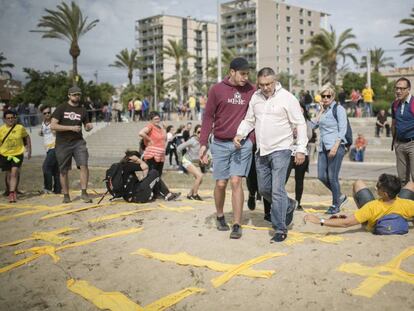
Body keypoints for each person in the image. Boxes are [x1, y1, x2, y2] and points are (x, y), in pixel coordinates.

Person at [235, 67, 307, 242]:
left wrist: (301, 149)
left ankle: (280, 228)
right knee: (264, 189)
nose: (265, 88)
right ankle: (289, 204)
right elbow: (249, 120)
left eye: (268, 84)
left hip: (282, 149)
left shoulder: (288, 98)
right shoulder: (256, 97)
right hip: (262, 151)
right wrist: (240, 133)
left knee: (276, 190)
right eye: (261, 84)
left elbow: (300, 123)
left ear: (275, 81)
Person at [199, 57, 255, 239]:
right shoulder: (217, 90)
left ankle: (237, 224)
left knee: (237, 181)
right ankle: (220, 215)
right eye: (242, 73)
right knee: (221, 183)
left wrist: (251, 140)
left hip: (242, 144)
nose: (246, 77)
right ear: (232, 72)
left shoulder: (252, 90)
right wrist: (202, 144)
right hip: (220, 143)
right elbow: (208, 117)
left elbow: (256, 116)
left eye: (248, 73)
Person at [304, 174, 414, 233]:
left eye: (378, 187)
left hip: (374, 220)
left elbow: (346, 223)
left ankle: (364, 222)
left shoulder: (371, 207)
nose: (376, 188)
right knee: (411, 184)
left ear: (384, 194)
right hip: (398, 209)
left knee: (358, 183)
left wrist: (320, 221)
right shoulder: (407, 204)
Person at [51, 86, 93, 203]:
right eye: (74, 94)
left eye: (78, 94)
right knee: (64, 170)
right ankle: (66, 195)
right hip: (63, 143)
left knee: (84, 165)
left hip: (78, 142)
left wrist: (88, 127)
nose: (77, 96)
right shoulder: (61, 108)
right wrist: (70, 128)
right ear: (69, 96)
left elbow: (86, 125)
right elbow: (53, 126)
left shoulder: (83, 110)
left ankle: (84, 193)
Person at [313, 83, 348, 215]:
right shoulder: (324, 111)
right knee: (321, 176)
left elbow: (343, 129)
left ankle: (335, 205)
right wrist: (320, 111)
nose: (326, 98)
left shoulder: (338, 109)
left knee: (332, 177)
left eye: (329, 96)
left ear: (333, 96)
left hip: (335, 146)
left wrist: (335, 146)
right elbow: (313, 125)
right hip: (322, 147)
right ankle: (340, 196)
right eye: (323, 96)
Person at [285, 104, 313, 211]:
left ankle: (298, 202)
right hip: (289, 153)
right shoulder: (288, 121)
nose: (299, 110)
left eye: (301, 108)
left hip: (302, 153)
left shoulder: (306, 122)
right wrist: (293, 133)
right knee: (283, 178)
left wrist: (301, 133)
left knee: (299, 179)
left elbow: (309, 136)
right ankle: (283, 200)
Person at [0, 110, 31, 203]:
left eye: (12, 118)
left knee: (14, 172)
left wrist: (29, 149)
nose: (10, 120)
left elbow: (27, 137)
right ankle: (10, 191)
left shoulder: (20, 128)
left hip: (17, 153)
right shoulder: (1, 129)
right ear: (4, 119)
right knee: (9, 174)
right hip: (5, 155)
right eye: (8, 118)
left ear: (15, 118)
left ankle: (12, 193)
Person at [391, 77, 414, 185]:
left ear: (408, 89)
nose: (398, 91)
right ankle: (406, 201)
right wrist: (394, 142)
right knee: (402, 179)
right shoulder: (395, 104)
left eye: (402, 88)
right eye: (397, 88)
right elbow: (394, 123)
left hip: (412, 143)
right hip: (399, 144)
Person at [177, 125, 204, 200]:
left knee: (200, 179)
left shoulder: (204, 141)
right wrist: (180, 160)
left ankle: (189, 194)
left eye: (202, 132)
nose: (200, 133)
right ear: (195, 133)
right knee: (200, 176)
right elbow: (179, 148)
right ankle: (195, 194)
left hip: (195, 162)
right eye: (198, 132)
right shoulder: (192, 141)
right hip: (187, 160)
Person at [39, 105, 61, 194]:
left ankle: (47, 188)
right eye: (45, 113)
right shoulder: (43, 123)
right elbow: (44, 132)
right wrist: (41, 132)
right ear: (42, 114)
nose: (47, 114)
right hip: (48, 148)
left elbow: (58, 132)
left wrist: (55, 131)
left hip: (55, 147)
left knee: (46, 167)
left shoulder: (54, 122)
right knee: (55, 169)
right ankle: (57, 189)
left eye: (49, 112)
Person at [138, 111, 167, 177]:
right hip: (152, 155)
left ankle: (156, 187)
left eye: (158, 118)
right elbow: (141, 133)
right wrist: (149, 139)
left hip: (161, 155)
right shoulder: (150, 126)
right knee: (151, 175)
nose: (157, 120)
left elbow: (165, 139)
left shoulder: (160, 128)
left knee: (158, 176)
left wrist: (165, 129)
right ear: (151, 120)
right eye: (155, 119)